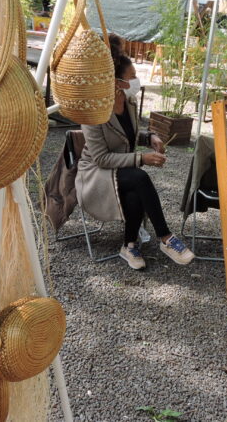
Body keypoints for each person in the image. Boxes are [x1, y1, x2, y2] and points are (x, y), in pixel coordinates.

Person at [75, 34, 195, 270]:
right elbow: (101, 158)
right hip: (95, 174)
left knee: (135, 190)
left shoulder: (127, 101)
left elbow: (128, 133)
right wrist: (142, 158)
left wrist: (149, 137)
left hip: (121, 172)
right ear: (116, 81)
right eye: (132, 78)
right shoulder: (92, 112)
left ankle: (129, 245)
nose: (136, 81)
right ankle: (166, 238)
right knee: (139, 177)